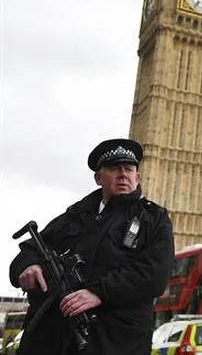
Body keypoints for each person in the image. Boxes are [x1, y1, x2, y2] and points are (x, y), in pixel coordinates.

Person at [9, 138, 174, 355]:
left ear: (138, 177)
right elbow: (31, 248)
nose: (123, 174)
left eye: (128, 169)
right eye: (115, 169)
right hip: (51, 338)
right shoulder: (74, 216)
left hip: (114, 341)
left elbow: (154, 274)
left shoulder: (153, 219)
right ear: (98, 178)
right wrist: (28, 265)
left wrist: (99, 292)